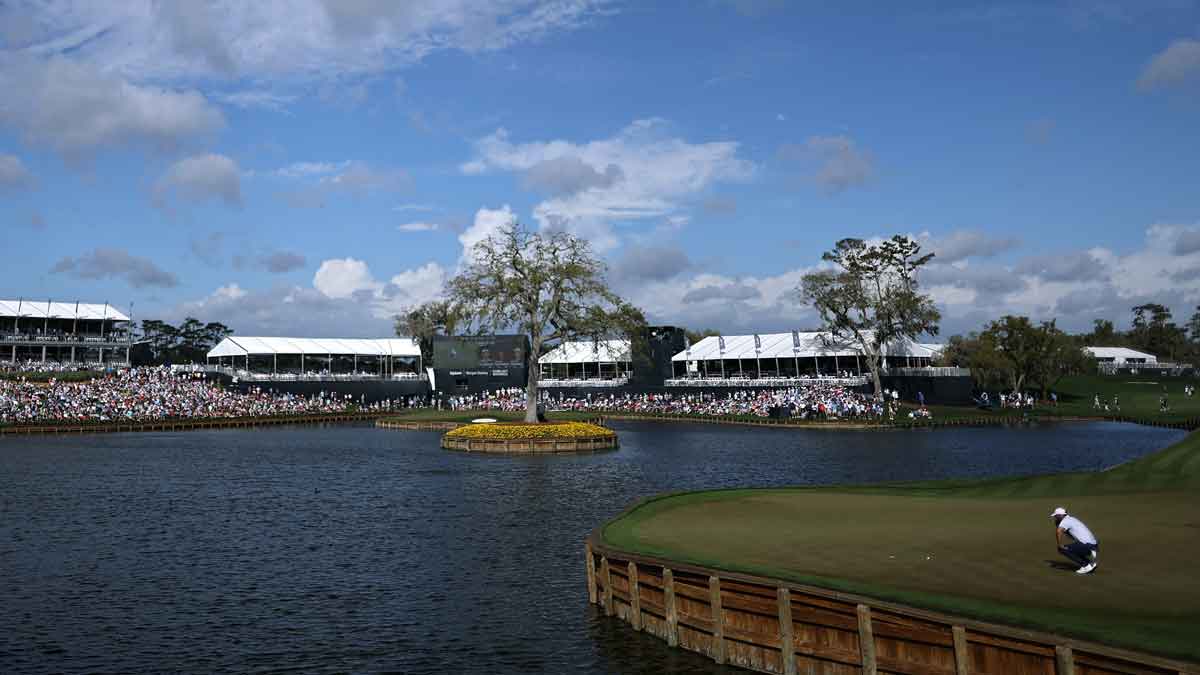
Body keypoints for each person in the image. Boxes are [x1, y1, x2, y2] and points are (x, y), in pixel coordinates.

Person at [1052, 507, 1098, 574]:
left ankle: (1086, 565)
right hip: (1093, 544)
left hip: (1087, 545)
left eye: (1056, 516)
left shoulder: (1065, 521)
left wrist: (1060, 544)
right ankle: (1090, 563)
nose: (1055, 518)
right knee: (1072, 548)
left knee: (1061, 549)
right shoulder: (1072, 519)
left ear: (1060, 515)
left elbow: (1058, 532)